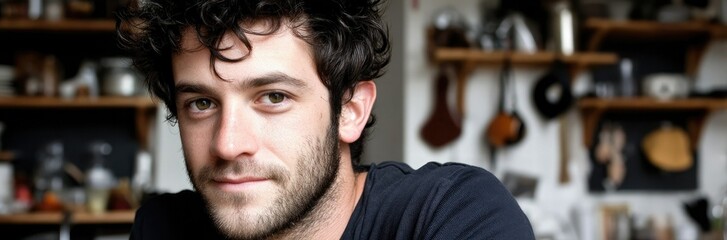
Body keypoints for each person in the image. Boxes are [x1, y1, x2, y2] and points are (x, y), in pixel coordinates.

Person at [118, 0, 534, 239]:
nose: (227, 144)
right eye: (202, 104)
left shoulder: (453, 214)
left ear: (350, 110)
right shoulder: (163, 229)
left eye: (273, 97)